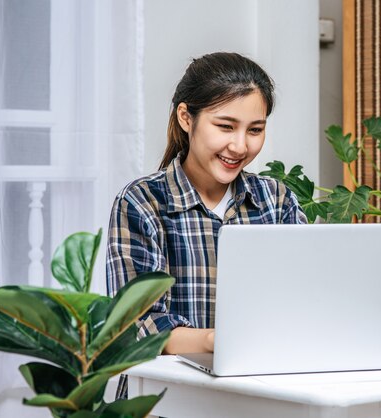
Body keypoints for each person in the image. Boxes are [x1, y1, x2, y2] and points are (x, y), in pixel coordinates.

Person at [106, 52, 307, 359]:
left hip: (261, 387)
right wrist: (220, 340)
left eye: (255, 130)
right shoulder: (142, 203)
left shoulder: (277, 201)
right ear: (186, 117)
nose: (240, 146)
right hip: (166, 398)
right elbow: (136, 327)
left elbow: (303, 301)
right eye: (226, 126)